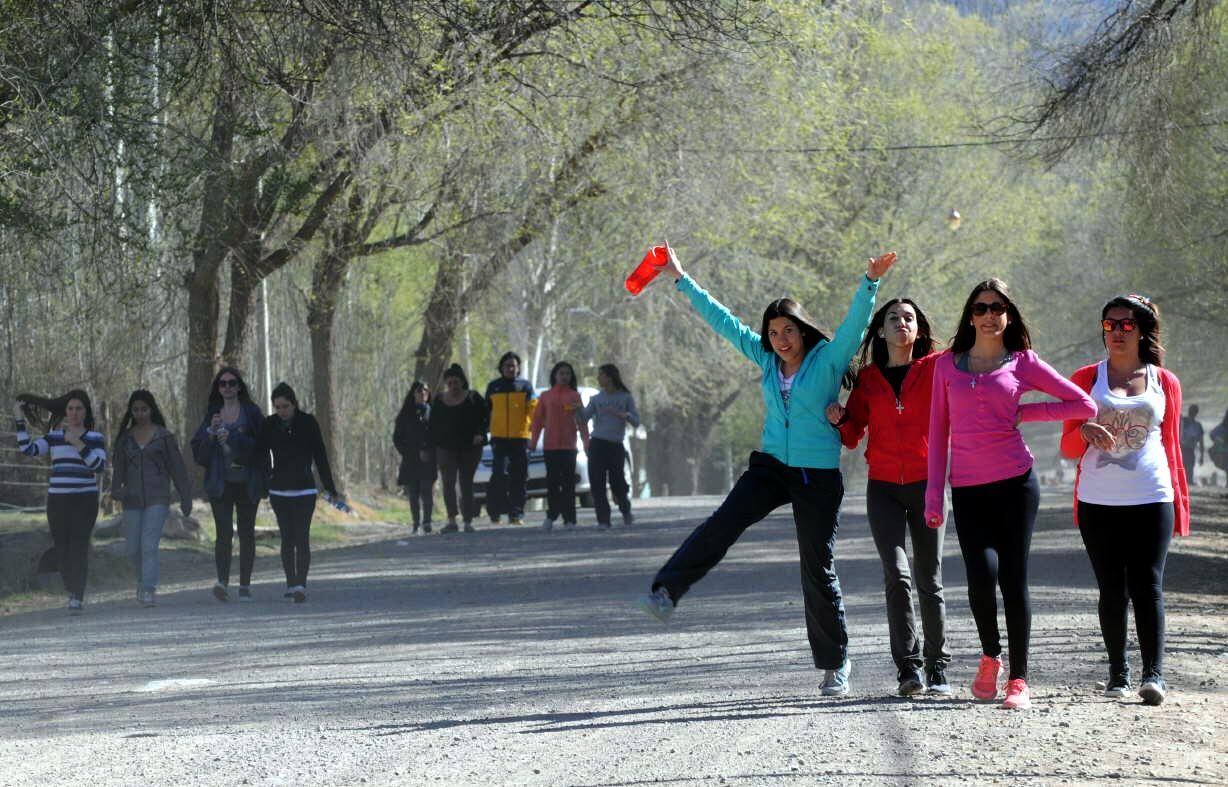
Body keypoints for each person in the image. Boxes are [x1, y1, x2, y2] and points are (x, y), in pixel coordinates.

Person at [638, 243, 897, 697]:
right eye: (774, 331)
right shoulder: (765, 360)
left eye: (789, 330)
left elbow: (856, 323)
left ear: (802, 330)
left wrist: (870, 282)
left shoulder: (830, 359)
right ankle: (665, 591)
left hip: (817, 475)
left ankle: (836, 662)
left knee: (817, 567)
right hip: (772, 467)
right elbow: (723, 322)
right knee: (724, 522)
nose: (781, 339)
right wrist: (681, 278)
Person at [925, 278, 1096, 710]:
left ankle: (1018, 678)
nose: (988, 315)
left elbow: (1083, 405)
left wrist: (1026, 411)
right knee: (980, 579)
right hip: (966, 489)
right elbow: (937, 431)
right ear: (970, 315)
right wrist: (933, 496)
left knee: (1013, 579)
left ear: (1008, 315)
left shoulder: (1023, 363)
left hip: (1016, 485)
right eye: (980, 308)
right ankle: (990, 657)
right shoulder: (946, 366)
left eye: (996, 308)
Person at [1060, 294, 1190, 706]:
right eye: (1109, 324)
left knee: (1147, 584)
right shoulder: (1085, 378)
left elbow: (1172, 447)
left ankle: (1154, 674)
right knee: (1111, 588)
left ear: (1143, 328)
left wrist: (1181, 503)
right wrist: (1084, 432)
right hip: (1099, 500)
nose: (1116, 332)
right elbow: (1065, 446)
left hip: (1153, 496)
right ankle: (1118, 671)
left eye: (1126, 324)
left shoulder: (1164, 381)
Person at [827, 298, 950, 697]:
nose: (901, 323)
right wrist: (840, 418)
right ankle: (909, 670)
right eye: (893, 318)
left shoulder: (936, 368)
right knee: (897, 577)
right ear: (880, 330)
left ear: (919, 329)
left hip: (928, 486)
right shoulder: (868, 379)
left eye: (909, 318)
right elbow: (853, 434)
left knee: (928, 579)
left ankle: (939, 669)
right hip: (882, 489)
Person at [13, 390, 107, 613]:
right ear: (65, 412)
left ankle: (77, 595)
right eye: (70, 409)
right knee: (63, 548)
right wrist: (19, 418)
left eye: (79, 409)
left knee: (79, 547)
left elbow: (99, 466)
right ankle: (71, 589)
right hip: (58, 501)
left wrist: (77, 443)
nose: (74, 413)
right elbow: (28, 449)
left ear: (86, 412)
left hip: (85, 500)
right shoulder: (54, 436)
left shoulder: (95, 438)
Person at [255, 382, 340, 604]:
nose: (281, 411)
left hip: (304, 489)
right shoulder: (270, 424)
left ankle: (301, 584)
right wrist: (262, 481)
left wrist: (329, 486)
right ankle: (291, 582)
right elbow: (259, 454)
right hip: (279, 490)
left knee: (302, 537)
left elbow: (320, 455)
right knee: (287, 538)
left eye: (285, 406)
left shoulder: (308, 422)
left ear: (294, 404)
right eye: (278, 407)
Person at [110, 390, 193, 607]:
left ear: (151, 409)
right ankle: (142, 581)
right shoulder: (125, 439)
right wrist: (116, 489)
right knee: (133, 548)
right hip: (131, 499)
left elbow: (178, 469)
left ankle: (148, 589)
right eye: (136, 410)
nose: (140, 413)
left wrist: (186, 497)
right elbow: (118, 468)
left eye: (144, 409)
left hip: (158, 498)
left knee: (149, 545)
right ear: (131, 411)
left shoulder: (164, 437)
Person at [190, 367, 265, 603]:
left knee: (246, 533)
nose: (228, 387)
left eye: (232, 383)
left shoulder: (251, 413)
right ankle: (222, 582)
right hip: (220, 483)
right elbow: (198, 451)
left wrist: (233, 438)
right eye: (223, 384)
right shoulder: (213, 413)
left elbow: (262, 446)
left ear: (239, 386)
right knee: (223, 534)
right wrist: (210, 434)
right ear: (218, 388)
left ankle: (245, 585)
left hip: (247, 481)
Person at [530, 361, 590, 531]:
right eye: (561, 373)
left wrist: (586, 443)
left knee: (569, 484)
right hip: (550, 447)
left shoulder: (574, 396)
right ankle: (551, 515)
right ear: (555, 376)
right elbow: (537, 422)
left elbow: (582, 422)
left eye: (567, 374)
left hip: (569, 447)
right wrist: (533, 442)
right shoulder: (545, 396)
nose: (564, 377)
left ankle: (570, 519)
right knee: (553, 483)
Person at [580, 363, 640, 528]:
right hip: (597, 444)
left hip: (615, 446)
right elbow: (583, 418)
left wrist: (624, 415)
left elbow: (636, 421)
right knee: (597, 483)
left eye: (601, 375)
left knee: (617, 483)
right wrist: (576, 409)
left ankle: (625, 510)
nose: (598, 378)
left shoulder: (625, 397)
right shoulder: (597, 399)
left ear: (610, 377)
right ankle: (603, 520)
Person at [431, 364, 488, 533]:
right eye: (450, 383)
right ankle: (451, 521)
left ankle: (468, 521)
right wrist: (430, 446)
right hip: (446, 448)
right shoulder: (439, 400)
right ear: (446, 384)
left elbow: (486, 418)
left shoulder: (473, 398)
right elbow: (432, 425)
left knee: (466, 483)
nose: (453, 386)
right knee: (448, 483)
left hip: (470, 447)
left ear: (462, 382)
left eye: (456, 382)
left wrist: (481, 434)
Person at [484, 352, 538, 525]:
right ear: (501, 367)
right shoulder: (494, 386)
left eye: (513, 365)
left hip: (520, 438)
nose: (510, 368)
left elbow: (533, 410)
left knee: (519, 476)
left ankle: (516, 513)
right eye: (507, 365)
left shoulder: (525, 386)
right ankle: (495, 512)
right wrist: (484, 432)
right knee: (498, 474)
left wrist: (532, 431)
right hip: (499, 438)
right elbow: (486, 412)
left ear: (518, 368)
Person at [394, 381, 436, 534]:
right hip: (410, 460)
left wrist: (430, 451)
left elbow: (437, 435)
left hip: (428, 459)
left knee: (427, 491)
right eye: (419, 391)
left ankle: (427, 522)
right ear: (414, 393)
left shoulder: (433, 412)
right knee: (413, 493)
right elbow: (397, 438)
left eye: (425, 390)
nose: (423, 393)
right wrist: (407, 452)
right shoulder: (405, 415)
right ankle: (416, 523)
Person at [1179, 404, 1204, 482]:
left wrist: (1202, 456)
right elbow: (1201, 443)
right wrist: (1201, 456)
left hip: (1187, 449)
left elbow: (1201, 442)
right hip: (1184, 448)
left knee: (1188, 468)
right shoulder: (1183, 421)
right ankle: (1188, 482)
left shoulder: (1196, 425)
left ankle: (1188, 482)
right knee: (1186, 468)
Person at [1209, 408, 1228, 484]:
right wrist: (1219, 441)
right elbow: (1212, 434)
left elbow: (1212, 434)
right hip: (1223, 453)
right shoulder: (1223, 427)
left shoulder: (1222, 426)